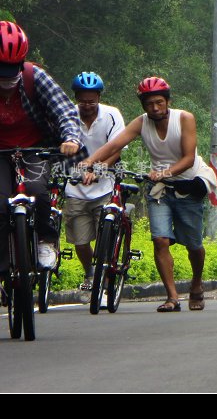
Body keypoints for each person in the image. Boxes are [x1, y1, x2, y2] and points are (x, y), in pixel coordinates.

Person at [81, 77, 217, 312]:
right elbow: (114, 145)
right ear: (143, 105)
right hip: (159, 190)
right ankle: (172, 297)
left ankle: (196, 283)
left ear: (167, 101)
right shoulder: (141, 123)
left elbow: (188, 158)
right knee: (160, 240)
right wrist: (90, 161)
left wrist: (166, 171)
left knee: (194, 245)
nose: (155, 108)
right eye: (149, 104)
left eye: (159, 102)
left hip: (187, 186)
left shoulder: (184, 118)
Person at [0, 20, 82, 277]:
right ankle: (2, 268)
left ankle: (45, 240)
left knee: (37, 190)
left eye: (12, 68)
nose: (7, 75)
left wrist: (70, 138)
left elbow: (64, 110)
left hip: (33, 149)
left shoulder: (33, 76)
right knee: (0, 204)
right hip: (0, 153)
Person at [65, 72, 126, 291]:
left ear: (99, 97)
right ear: (76, 97)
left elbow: (117, 148)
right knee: (80, 240)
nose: (87, 105)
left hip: (105, 185)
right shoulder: (68, 115)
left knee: (105, 236)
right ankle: (91, 273)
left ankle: (106, 275)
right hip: (75, 187)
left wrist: (98, 170)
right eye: (82, 100)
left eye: (92, 100)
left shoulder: (112, 115)